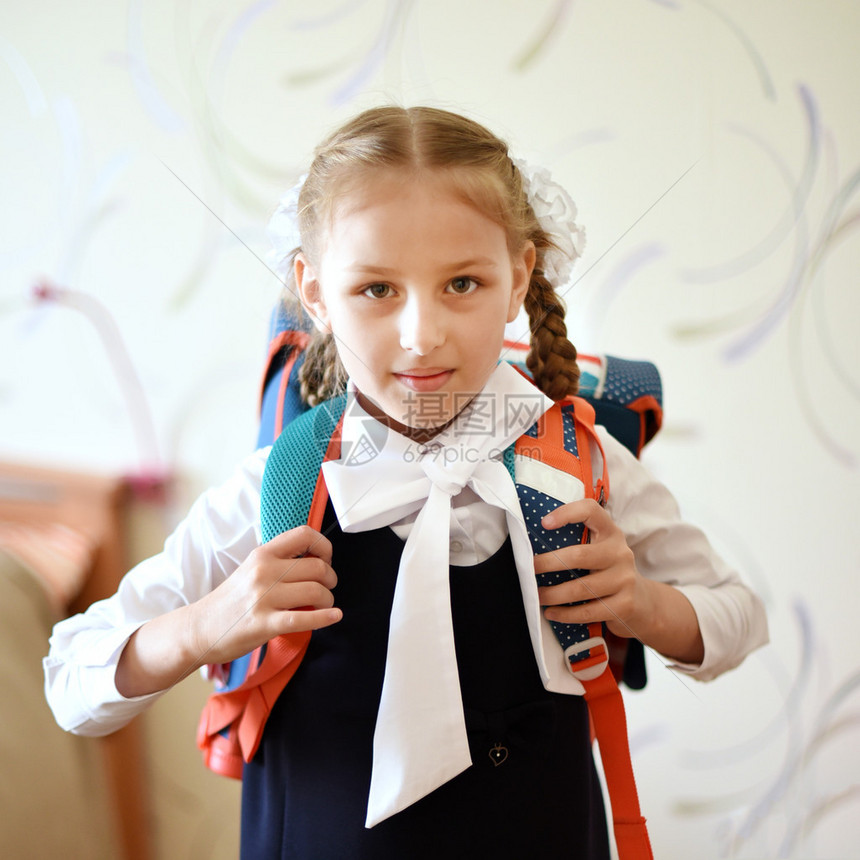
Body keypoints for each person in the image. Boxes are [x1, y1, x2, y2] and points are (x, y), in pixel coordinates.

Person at [45, 105, 768, 859]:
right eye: (377, 290)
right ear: (316, 293)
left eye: (462, 282)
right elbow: (71, 683)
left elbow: (738, 617)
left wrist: (645, 604)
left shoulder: (583, 464)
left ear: (519, 277)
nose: (422, 334)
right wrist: (208, 623)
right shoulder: (277, 488)